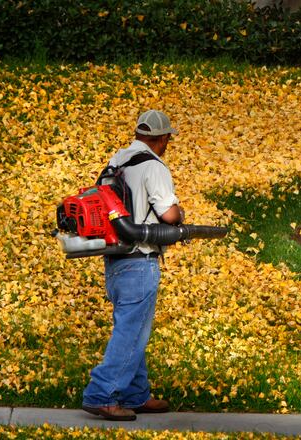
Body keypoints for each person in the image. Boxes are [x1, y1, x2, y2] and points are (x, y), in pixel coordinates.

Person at [81, 110, 185, 421]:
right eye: (168, 139)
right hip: (140, 258)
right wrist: (180, 213)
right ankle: (103, 394)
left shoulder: (118, 160)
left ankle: (136, 394)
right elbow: (168, 215)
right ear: (162, 138)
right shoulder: (153, 166)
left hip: (115, 258)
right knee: (131, 331)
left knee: (132, 326)